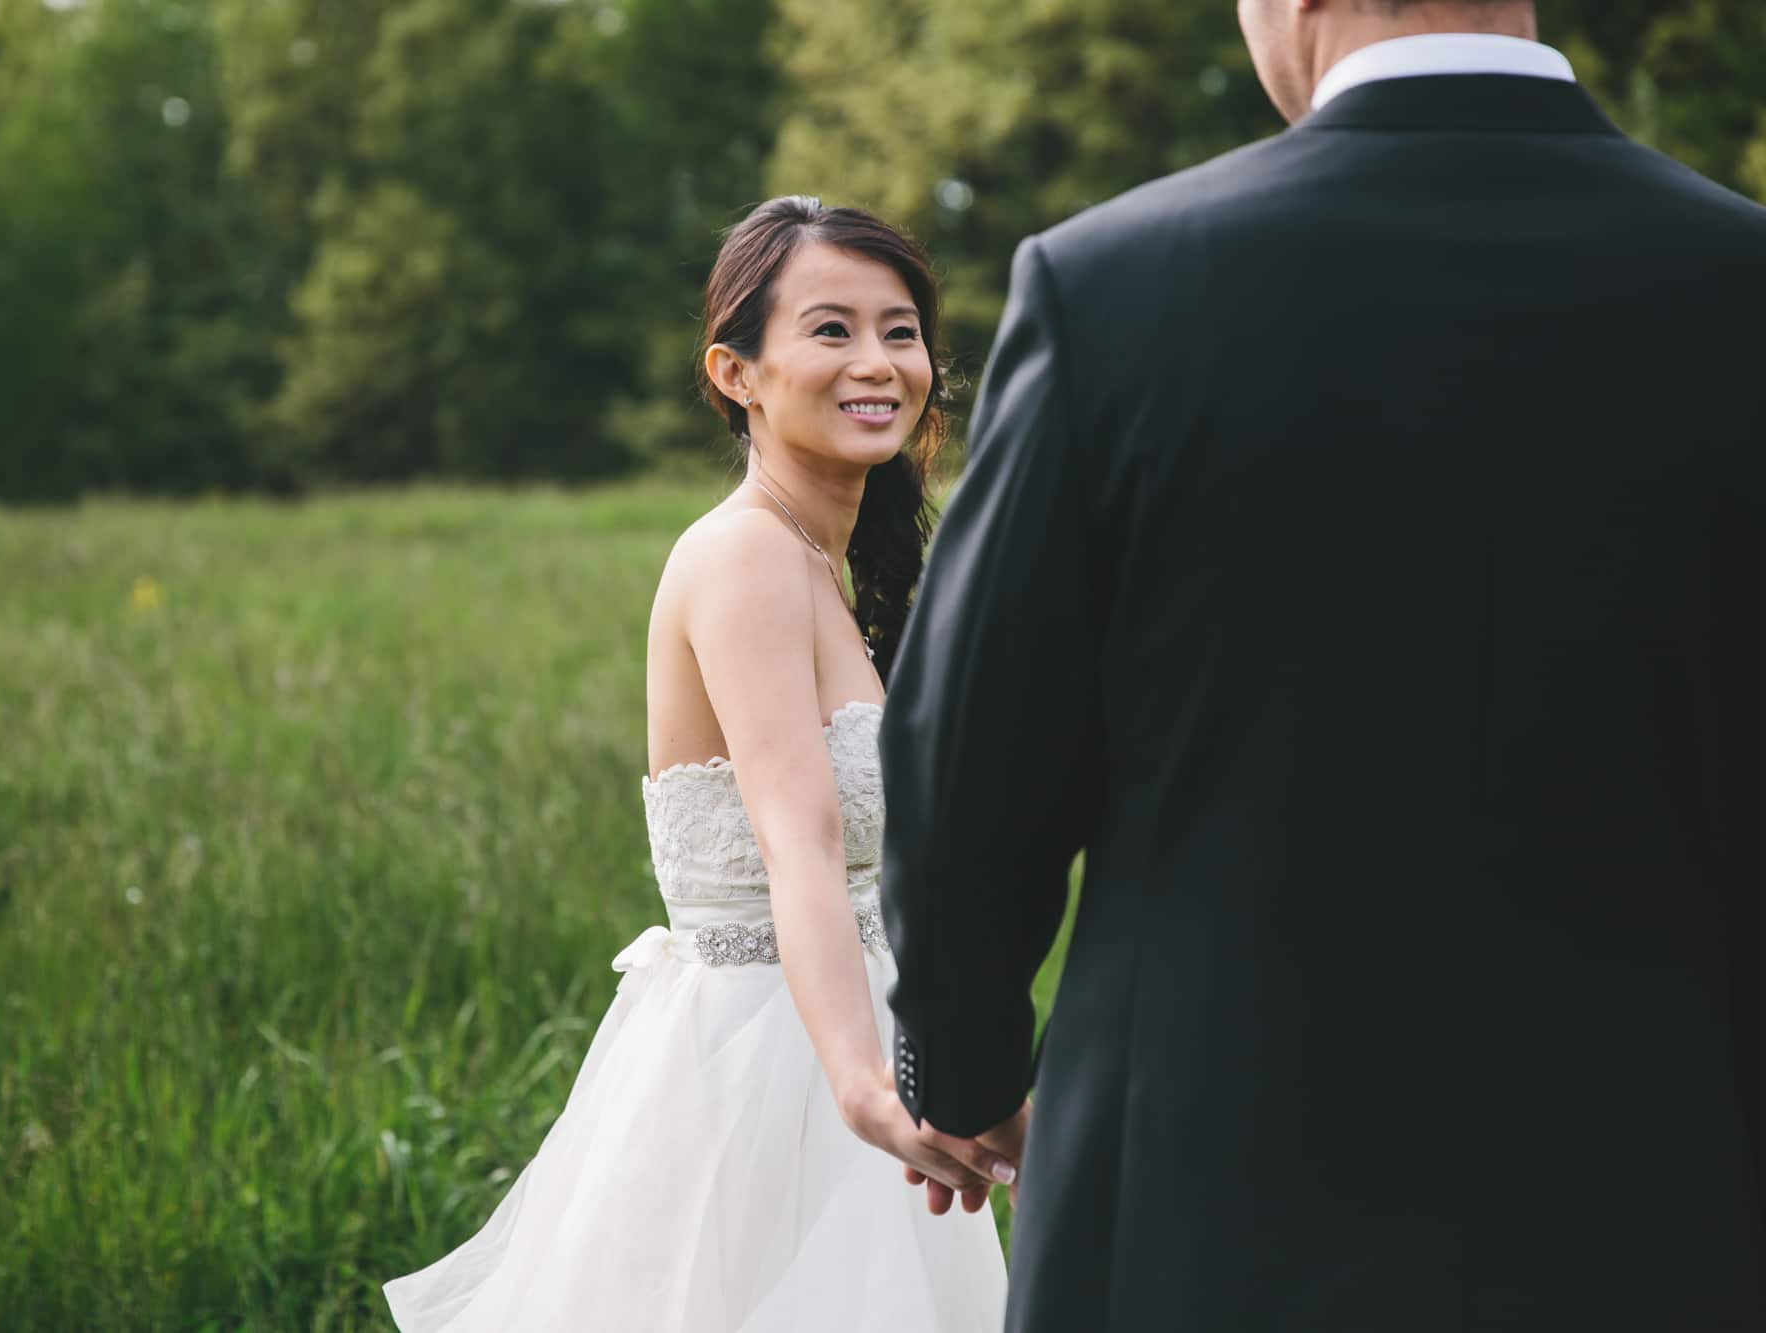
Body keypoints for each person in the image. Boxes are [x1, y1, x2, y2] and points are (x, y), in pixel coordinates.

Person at [877, 1, 1766, 1328]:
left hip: (1201, 1198)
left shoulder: (1110, 283)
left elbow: (973, 757)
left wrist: (961, 1067)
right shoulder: (1740, 280)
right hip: (1672, 1196)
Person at [383, 196, 1010, 1332]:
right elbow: (800, 847)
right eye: (830, 330)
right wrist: (861, 1084)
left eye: (899, 329)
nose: (877, 361)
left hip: (846, 1018)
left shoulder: (827, 560)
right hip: (772, 1067)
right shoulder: (745, 558)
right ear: (736, 371)